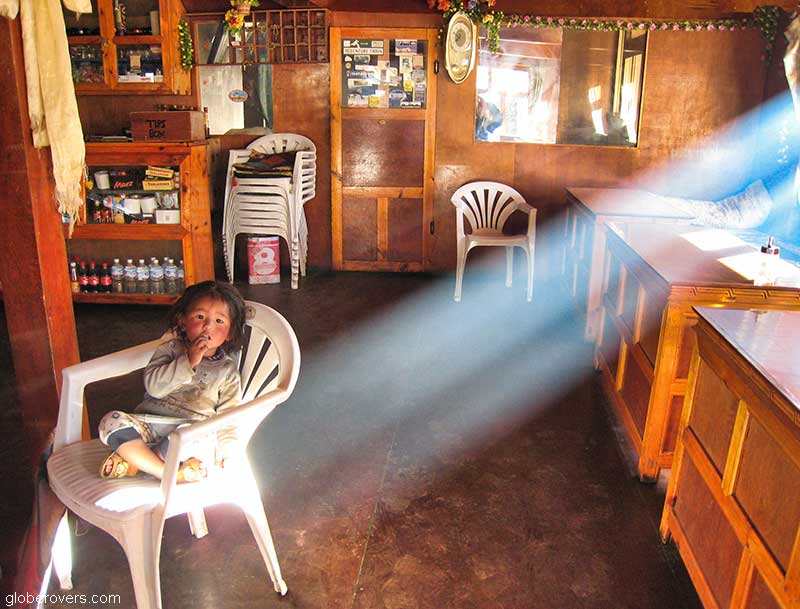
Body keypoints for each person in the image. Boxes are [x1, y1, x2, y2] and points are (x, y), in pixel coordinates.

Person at [98, 280, 247, 482]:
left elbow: (228, 417)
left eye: (219, 321)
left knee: (197, 438)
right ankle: (169, 474)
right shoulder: (170, 350)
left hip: (187, 431)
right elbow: (154, 388)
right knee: (110, 421)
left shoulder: (226, 371)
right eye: (200, 317)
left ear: (230, 333)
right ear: (183, 322)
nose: (207, 326)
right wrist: (188, 361)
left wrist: (228, 453)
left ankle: (137, 462)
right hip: (148, 424)